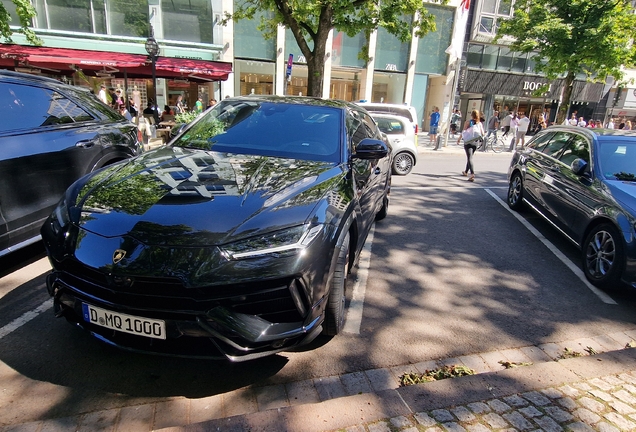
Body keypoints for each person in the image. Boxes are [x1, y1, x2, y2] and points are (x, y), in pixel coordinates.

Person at [460, 110, 484, 182]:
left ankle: (472, 174)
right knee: (470, 157)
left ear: (471, 115)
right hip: (475, 143)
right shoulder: (479, 123)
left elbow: (463, 132)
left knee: (469, 158)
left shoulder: (468, 122)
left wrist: (459, 139)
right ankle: (466, 172)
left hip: (468, 142)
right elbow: (482, 133)